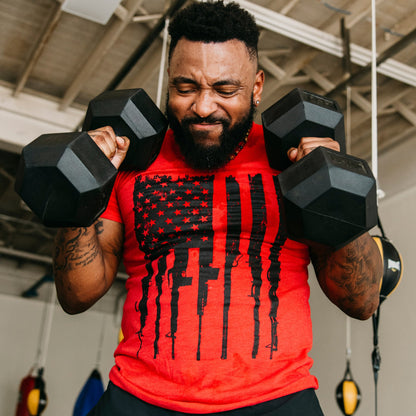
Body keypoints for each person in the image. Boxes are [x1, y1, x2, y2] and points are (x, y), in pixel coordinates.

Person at [53, 2, 382, 414]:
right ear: (169, 80)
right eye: (185, 88)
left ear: (257, 87)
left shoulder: (295, 165)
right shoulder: (129, 162)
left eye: (225, 90)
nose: (204, 107)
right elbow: (76, 295)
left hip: (276, 400)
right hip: (140, 398)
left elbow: (362, 300)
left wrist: (335, 193)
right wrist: (81, 187)